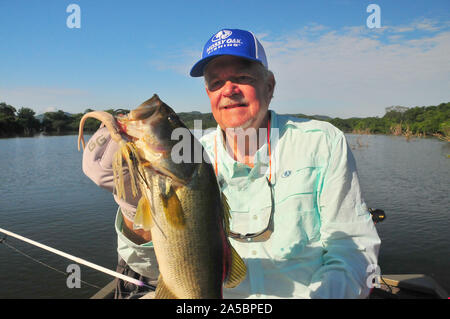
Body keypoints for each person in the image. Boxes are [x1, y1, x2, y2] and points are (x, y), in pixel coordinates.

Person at [82, 28, 381, 299]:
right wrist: (133, 208)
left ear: (270, 85)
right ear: (209, 94)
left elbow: (353, 249)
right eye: (216, 83)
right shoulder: (192, 153)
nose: (229, 90)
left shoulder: (322, 141)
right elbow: (146, 267)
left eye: (243, 78)